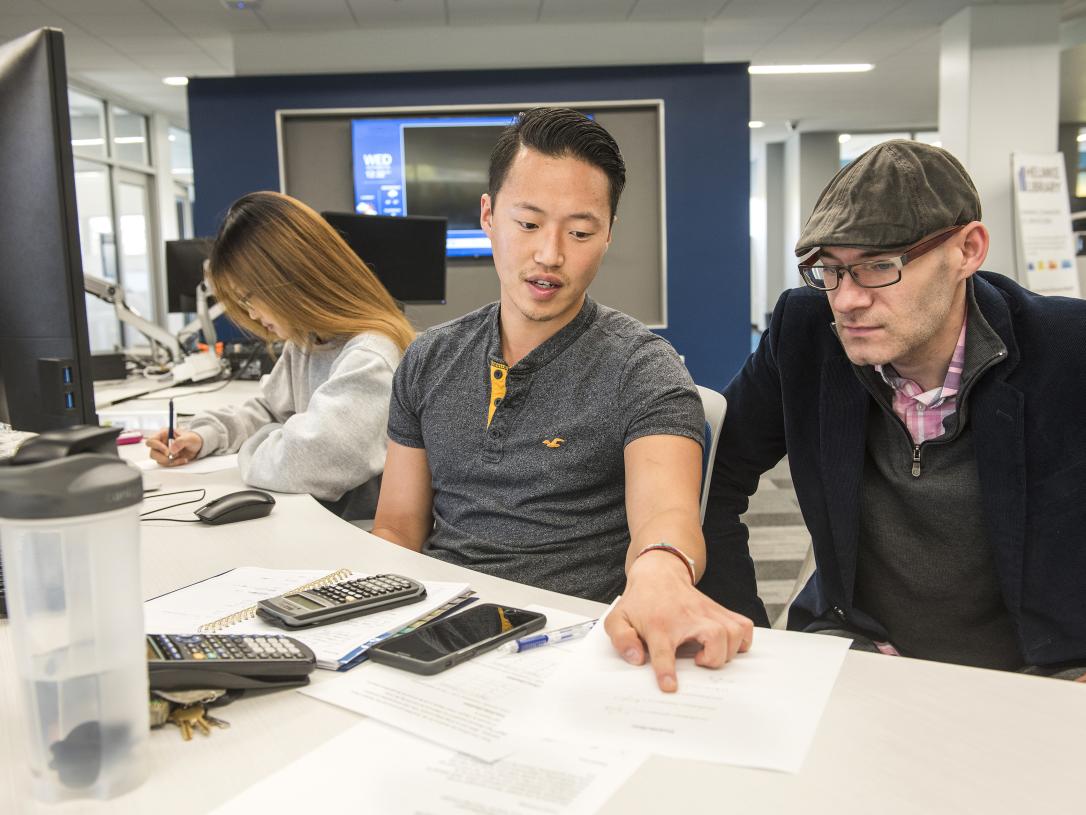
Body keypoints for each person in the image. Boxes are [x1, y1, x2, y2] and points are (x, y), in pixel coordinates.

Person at [371, 107, 754, 692]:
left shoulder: (641, 368)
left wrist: (662, 571)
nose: (550, 255)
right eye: (528, 224)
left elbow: (666, 520)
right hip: (437, 643)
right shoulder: (428, 359)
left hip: (570, 654)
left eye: (579, 232)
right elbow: (397, 529)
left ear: (607, 235)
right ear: (488, 216)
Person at [704, 140, 1086, 680]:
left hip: (1040, 670)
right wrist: (742, 628)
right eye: (830, 269)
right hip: (859, 647)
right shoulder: (806, 335)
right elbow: (714, 477)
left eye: (877, 267)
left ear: (968, 250)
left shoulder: (1069, 350)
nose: (846, 300)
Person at [146, 191, 415, 521]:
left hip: (358, 535)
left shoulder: (372, 356)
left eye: (250, 298)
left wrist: (262, 442)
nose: (252, 314)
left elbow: (307, 462)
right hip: (314, 520)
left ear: (288, 282)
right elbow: (270, 409)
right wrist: (204, 436)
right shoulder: (308, 341)